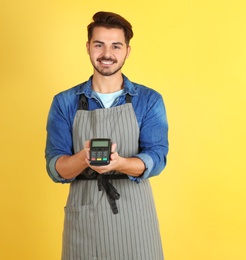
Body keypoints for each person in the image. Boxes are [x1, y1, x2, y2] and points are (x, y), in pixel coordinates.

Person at [45, 11, 168, 260]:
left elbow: (157, 157)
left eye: (116, 46)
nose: (107, 54)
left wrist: (120, 163)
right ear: (88, 47)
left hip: (136, 217)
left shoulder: (149, 100)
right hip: (85, 217)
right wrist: (83, 158)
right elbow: (55, 168)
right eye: (99, 44)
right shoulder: (64, 102)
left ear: (127, 51)